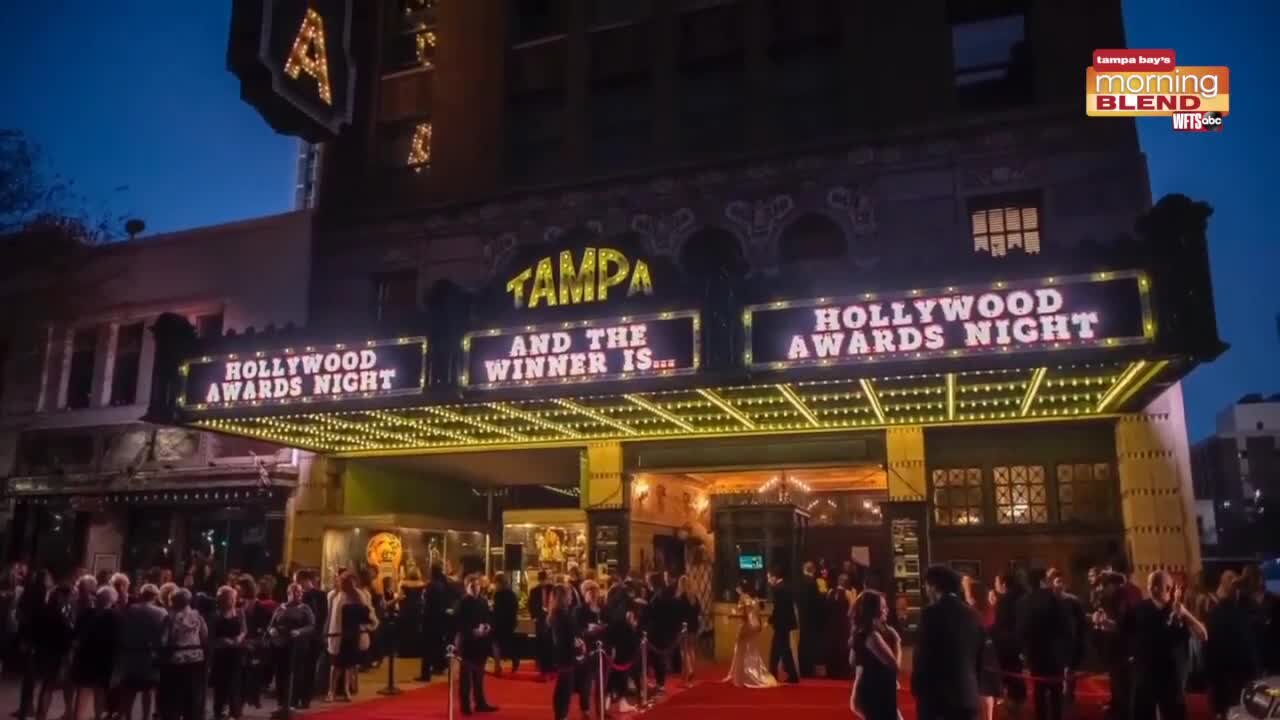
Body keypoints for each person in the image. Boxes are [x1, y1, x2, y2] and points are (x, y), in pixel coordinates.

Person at [1125, 570, 1207, 720]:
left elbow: (1203, 634)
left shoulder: (1177, 611)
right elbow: (1123, 630)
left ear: (1168, 588)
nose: (1151, 588)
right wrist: (1104, 623)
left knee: (1173, 713)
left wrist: (1185, 614)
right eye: (1150, 584)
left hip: (1172, 678)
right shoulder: (1140, 609)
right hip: (1145, 675)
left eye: (1156, 585)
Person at [912, 565, 984, 720]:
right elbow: (979, 655)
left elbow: (923, 655)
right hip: (968, 694)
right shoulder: (973, 614)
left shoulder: (930, 613)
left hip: (939, 699)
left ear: (933, 586)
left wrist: (917, 687)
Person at [1019, 569, 1073, 720]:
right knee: (1056, 692)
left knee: (1039, 691)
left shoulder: (1024, 602)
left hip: (1035, 653)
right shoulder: (1055, 599)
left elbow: (1022, 630)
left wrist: (1025, 651)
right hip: (1055, 653)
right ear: (1043, 580)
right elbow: (1066, 627)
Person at [1205, 576, 1259, 720]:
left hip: (1227, 677)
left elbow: (1209, 648)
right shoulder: (1240, 613)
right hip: (1236, 678)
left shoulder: (1215, 614)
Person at [117, 584, 168, 720]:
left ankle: (128, 716)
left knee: (130, 690)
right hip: (149, 656)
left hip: (131, 655)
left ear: (141, 595)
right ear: (156, 597)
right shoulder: (162, 612)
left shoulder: (131, 610)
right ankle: (145, 717)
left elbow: (124, 630)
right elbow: (163, 636)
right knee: (147, 691)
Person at [71, 585, 121, 720]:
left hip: (85, 657)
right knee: (100, 691)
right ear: (112, 601)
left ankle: (78, 716)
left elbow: (76, 635)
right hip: (104, 660)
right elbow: (116, 640)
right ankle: (97, 716)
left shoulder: (86, 613)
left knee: (83, 690)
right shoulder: (114, 617)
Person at [849, 590, 900, 720]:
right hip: (877, 691)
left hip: (865, 689)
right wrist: (897, 643)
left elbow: (852, 661)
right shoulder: (872, 636)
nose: (887, 610)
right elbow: (893, 665)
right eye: (883, 607)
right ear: (874, 610)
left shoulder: (859, 633)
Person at [268, 583, 316, 718]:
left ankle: (292, 702)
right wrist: (272, 630)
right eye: (295, 592)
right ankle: (280, 702)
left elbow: (312, 625)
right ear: (288, 593)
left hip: (297, 646)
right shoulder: (281, 608)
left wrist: (299, 632)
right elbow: (271, 625)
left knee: (295, 674)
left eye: (300, 592)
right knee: (280, 673)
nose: (299, 595)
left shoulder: (305, 608)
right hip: (280, 645)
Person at [325, 572, 374, 703]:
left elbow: (366, 613)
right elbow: (330, 616)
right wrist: (327, 631)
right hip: (337, 634)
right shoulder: (335, 596)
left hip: (353, 635)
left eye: (352, 581)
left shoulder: (358, 595)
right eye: (347, 581)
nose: (350, 584)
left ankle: (346, 690)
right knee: (336, 664)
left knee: (348, 664)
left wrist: (367, 627)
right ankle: (331, 691)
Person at [160, 589, 208, 720]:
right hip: (196, 659)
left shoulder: (170, 617)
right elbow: (204, 636)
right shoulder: (198, 616)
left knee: (174, 696)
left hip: (176, 661)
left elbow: (164, 640)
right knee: (192, 695)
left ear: (174, 601)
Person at [455, 574, 499, 715]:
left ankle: (480, 703)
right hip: (468, 644)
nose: (476, 588)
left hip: (481, 644)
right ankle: (465, 706)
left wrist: (487, 626)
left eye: (478, 585)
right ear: (466, 587)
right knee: (466, 678)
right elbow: (459, 624)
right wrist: (473, 631)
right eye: (472, 586)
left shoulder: (483, 601)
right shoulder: (462, 603)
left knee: (479, 677)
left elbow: (489, 618)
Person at [724, 579, 778, 688]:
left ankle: (741, 678)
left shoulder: (743, 598)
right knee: (752, 651)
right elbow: (757, 615)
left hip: (747, 626)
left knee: (741, 652)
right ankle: (754, 673)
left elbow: (742, 614)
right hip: (755, 626)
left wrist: (730, 616)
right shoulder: (756, 600)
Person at [15, 569, 54, 720]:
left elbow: (20, 613)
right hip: (39, 638)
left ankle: (26, 708)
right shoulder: (46, 594)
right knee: (37, 676)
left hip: (28, 636)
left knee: (29, 676)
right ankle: (32, 709)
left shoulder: (29, 592)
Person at [1048, 570, 1088, 705]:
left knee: (1069, 671)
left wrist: (1080, 641)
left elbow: (1081, 622)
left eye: (1061, 581)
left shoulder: (1073, 600)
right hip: (1053, 643)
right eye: (1057, 581)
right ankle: (1058, 697)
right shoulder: (1048, 600)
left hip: (1070, 642)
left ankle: (1068, 697)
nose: (1060, 584)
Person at [965, 578, 1002, 720]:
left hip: (981, 657)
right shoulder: (989, 610)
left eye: (968, 592)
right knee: (987, 693)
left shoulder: (974, 613)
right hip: (990, 657)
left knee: (983, 692)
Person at [992, 571, 1027, 718]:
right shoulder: (1023, 596)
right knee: (1016, 675)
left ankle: (1012, 707)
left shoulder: (1005, 601)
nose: (995, 586)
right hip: (1021, 644)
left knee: (1010, 676)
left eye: (996, 583)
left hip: (1007, 645)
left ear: (1004, 584)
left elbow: (1000, 625)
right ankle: (1017, 705)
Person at [210, 585, 248, 720]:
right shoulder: (215, 616)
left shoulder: (240, 613)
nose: (231, 601)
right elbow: (211, 636)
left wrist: (239, 638)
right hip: (221, 654)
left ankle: (235, 712)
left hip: (236, 653)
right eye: (228, 598)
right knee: (221, 685)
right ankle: (219, 712)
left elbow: (244, 630)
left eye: (233, 598)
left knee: (235, 683)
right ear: (221, 599)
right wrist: (223, 641)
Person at [549, 585, 584, 720]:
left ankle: (561, 715)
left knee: (563, 687)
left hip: (563, 654)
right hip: (566, 655)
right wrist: (576, 643)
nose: (571, 598)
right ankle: (561, 716)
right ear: (564, 598)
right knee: (565, 688)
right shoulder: (562, 615)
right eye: (569, 595)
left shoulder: (559, 613)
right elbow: (565, 637)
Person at [295, 571, 328, 708]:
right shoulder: (299, 596)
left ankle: (305, 698)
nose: (298, 585)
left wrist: (316, 633)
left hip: (313, 638)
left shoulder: (319, 595)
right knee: (298, 669)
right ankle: (295, 698)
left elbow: (322, 617)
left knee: (309, 669)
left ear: (306, 580)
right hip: (299, 638)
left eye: (299, 581)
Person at [575, 580, 607, 714]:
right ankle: (585, 709)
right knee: (586, 681)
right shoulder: (579, 610)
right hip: (587, 648)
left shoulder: (603, 609)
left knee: (603, 681)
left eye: (595, 591)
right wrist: (588, 629)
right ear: (584, 593)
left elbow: (609, 624)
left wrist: (604, 627)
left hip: (603, 648)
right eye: (589, 591)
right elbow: (576, 629)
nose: (593, 594)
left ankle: (601, 709)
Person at [764, 568, 800, 684]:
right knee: (784, 650)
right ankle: (791, 674)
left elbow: (778, 609)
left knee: (777, 650)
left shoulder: (777, 589)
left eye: (769, 577)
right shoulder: (787, 587)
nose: (768, 580)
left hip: (780, 624)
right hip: (786, 623)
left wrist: (770, 621)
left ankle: (773, 674)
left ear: (775, 577)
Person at [418, 563, 450, 681]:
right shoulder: (443, 585)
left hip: (430, 620)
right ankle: (439, 666)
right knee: (438, 644)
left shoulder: (431, 586)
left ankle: (425, 674)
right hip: (440, 619)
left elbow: (427, 604)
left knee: (427, 647)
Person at [797, 561, 823, 678]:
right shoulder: (813, 583)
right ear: (813, 570)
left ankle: (801, 668)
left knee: (802, 643)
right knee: (810, 644)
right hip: (812, 618)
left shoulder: (799, 582)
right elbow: (817, 603)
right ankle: (807, 669)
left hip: (801, 616)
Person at [673, 575, 701, 685]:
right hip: (694, 625)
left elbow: (676, 614)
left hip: (683, 627)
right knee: (691, 649)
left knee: (683, 650)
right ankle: (692, 669)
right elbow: (699, 611)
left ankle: (688, 670)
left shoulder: (679, 598)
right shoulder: (694, 598)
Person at [826, 573, 854, 680]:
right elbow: (852, 610)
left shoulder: (830, 592)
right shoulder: (848, 593)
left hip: (832, 624)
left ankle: (832, 671)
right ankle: (842, 672)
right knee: (841, 647)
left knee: (834, 646)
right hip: (842, 625)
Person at [490, 573, 519, 674]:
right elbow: (515, 609)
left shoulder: (498, 595)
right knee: (506, 643)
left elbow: (496, 610)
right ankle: (514, 658)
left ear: (499, 583)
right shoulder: (512, 594)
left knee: (496, 643)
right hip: (510, 622)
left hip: (499, 622)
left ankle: (497, 666)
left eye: (496, 583)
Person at [529, 570, 554, 681]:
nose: (544, 582)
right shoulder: (534, 591)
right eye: (542, 580)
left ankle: (550, 666)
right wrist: (534, 616)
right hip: (539, 619)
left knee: (550, 642)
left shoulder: (552, 589)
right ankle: (541, 665)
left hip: (551, 618)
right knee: (540, 641)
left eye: (545, 579)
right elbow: (531, 604)